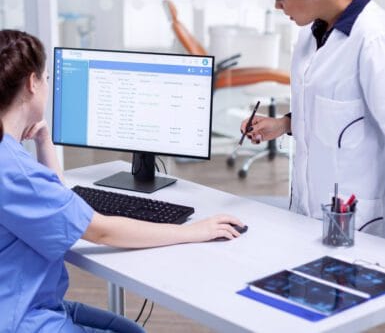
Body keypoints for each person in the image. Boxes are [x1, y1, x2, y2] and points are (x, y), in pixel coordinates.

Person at [0, 29, 244, 332]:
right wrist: (195, 231)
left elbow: (55, 199)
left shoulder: (11, 160)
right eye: (47, 79)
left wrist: (43, 140)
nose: (48, 86)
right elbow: (101, 233)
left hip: (26, 303)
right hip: (21, 319)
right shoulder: (18, 173)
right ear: (31, 83)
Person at [242, 0, 385, 236]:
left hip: (357, 221)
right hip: (306, 210)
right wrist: (284, 124)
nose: (278, 8)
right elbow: (339, 114)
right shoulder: (310, 33)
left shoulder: (373, 38)